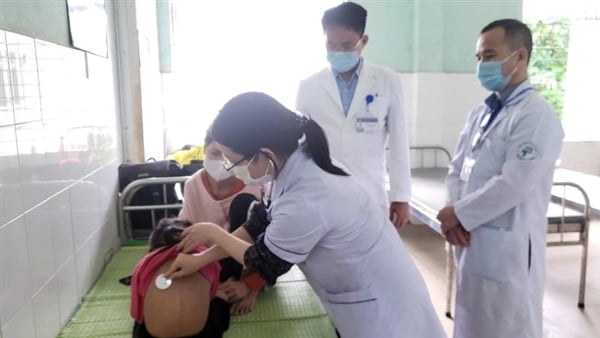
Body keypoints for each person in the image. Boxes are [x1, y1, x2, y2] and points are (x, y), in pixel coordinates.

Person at [164, 92, 446, 338]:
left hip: (383, 310)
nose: (227, 167)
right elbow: (258, 222)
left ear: (262, 153)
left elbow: (264, 262)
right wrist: (201, 258)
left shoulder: (309, 197)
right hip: (363, 288)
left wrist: (212, 232)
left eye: (231, 160)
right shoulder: (288, 163)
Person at [437, 19, 564, 338]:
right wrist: (453, 213)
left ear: (520, 57)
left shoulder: (536, 115)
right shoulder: (480, 113)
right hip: (471, 239)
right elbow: (457, 169)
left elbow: (515, 184)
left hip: (508, 249)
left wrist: (460, 214)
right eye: (479, 58)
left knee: (507, 325)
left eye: (490, 56)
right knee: (473, 321)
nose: (483, 65)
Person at [295, 1, 411, 227]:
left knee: (371, 257)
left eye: (346, 45)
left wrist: (401, 196)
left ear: (363, 41)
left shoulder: (388, 81)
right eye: (331, 44)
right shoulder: (308, 87)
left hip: (370, 192)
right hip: (322, 192)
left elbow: (399, 142)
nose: (338, 51)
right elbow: (300, 145)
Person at [179, 131, 265, 315]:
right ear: (204, 150)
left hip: (250, 264)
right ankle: (216, 285)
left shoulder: (255, 185)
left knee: (244, 202)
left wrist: (251, 287)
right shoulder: (193, 185)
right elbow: (185, 231)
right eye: (215, 154)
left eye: (229, 157)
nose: (222, 162)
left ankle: (236, 284)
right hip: (207, 259)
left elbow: (270, 248)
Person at [130, 218, 230, 338]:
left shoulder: (144, 264)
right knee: (220, 296)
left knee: (140, 320)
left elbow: (137, 312)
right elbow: (211, 295)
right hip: (201, 334)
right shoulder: (206, 258)